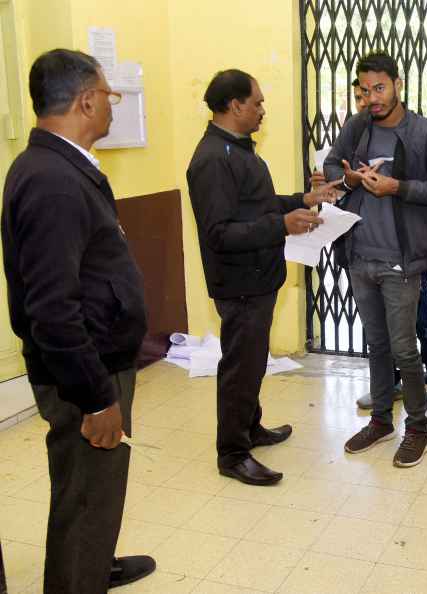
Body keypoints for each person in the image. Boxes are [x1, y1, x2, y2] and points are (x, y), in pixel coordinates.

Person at [2, 48, 155, 592]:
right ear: (87, 100)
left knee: (90, 494)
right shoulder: (52, 180)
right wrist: (96, 399)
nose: (113, 106)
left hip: (92, 364)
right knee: (87, 499)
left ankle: (92, 566)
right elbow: (52, 308)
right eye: (109, 95)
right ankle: (77, 578)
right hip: (83, 376)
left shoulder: (59, 166)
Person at [187, 69, 336, 486]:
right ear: (235, 106)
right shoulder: (213, 159)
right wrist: (282, 225)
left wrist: (301, 200)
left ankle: (250, 428)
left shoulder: (239, 150)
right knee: (240, 366)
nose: (262, 110)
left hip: (258, 276)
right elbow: (219, 233)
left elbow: (256, 205)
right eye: (257, 103)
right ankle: (232, 453)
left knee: (252, 362)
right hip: (239, 283)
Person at [324, 51, 427, 467]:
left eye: (379, 88)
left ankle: (418, 428)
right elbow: (333, 162)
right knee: (377, 344)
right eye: (364, 91)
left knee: (405, 348)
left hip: (401, 259)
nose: (371, 98)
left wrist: (397, 187)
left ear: (398, 84)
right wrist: (347, 177)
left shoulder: (426, 134)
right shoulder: (357, 126)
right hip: (360, 254)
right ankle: (382, 420)